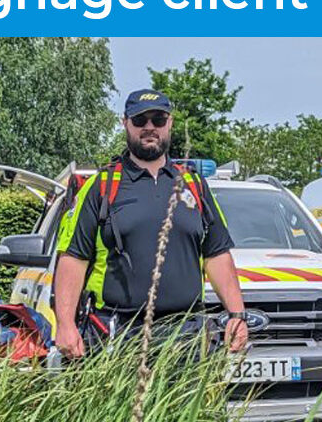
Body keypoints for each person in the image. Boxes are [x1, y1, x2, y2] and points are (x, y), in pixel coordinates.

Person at [53, 88, 249, 358]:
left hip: (186, 336)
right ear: (125, 123)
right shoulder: (102, 186)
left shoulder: (194, 184)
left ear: (170, 123)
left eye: (158, 119)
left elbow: (216, 254)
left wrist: (237, 315)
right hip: (116, 335)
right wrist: (65, 324)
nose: (149, 127)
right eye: (139, 120)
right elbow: (73, 258)